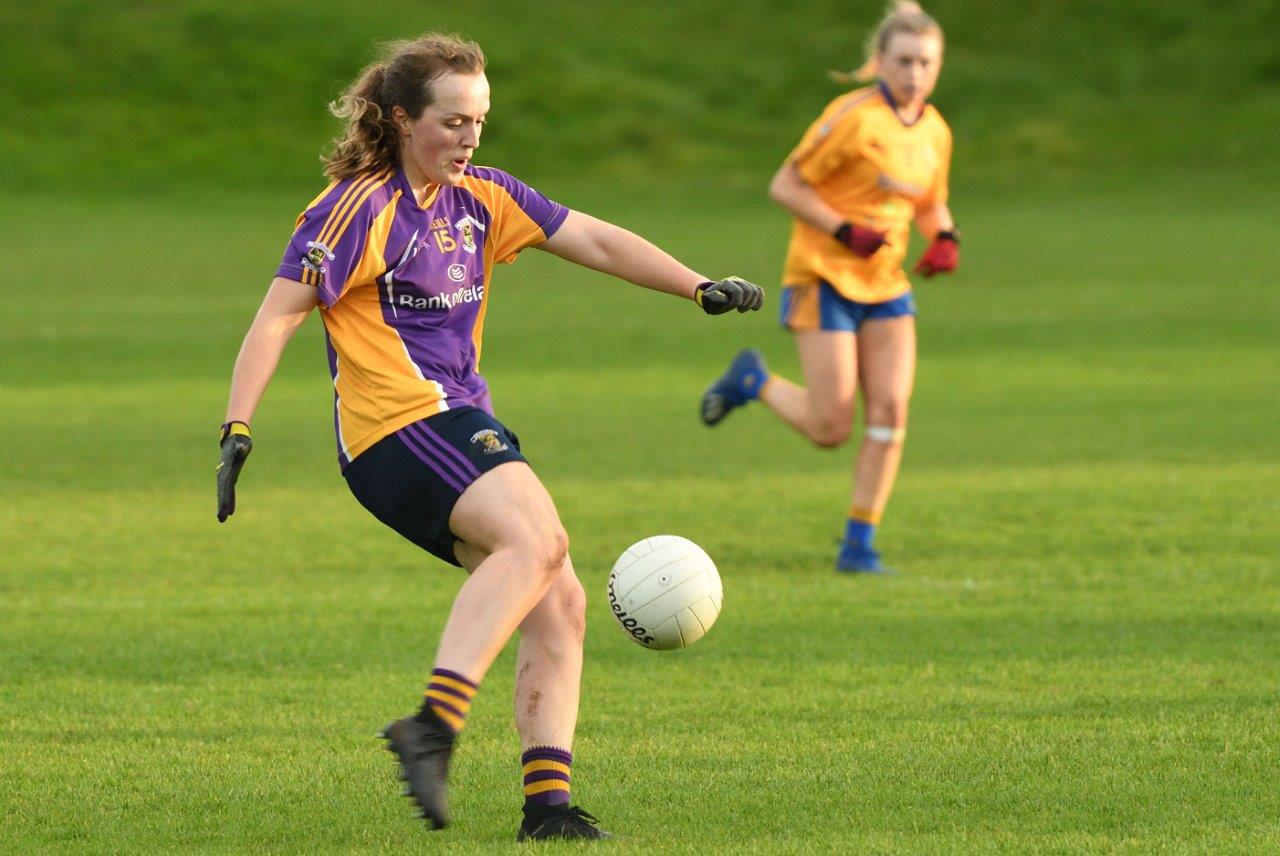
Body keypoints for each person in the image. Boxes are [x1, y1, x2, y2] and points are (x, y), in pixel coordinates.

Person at [214, 33, 763, 842]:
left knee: (560, 599)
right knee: (536, 540)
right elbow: (278, 316)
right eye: (452, 122)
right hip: (398, 428)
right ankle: (432, 726)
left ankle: (548, 808)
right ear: (401, 120)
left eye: (480, 121)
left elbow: (596, 239)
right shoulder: (357, 208)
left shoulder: (483, 197)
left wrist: (697, 286)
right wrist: (237, 424)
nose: (469, 138)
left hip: (457, 418)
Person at [699, 1, 957, 574]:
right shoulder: (853, 117)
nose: (915, 73)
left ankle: (859, 544)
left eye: (926, 62)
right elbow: (785, 185)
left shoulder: (936, 130)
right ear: (881, 61)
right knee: (830, 428)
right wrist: (843, 228)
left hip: (886, 283)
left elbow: (931, 200)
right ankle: (754, 379)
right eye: (904, 60)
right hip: (824, 276)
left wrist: (945, 237)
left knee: (891, 410)